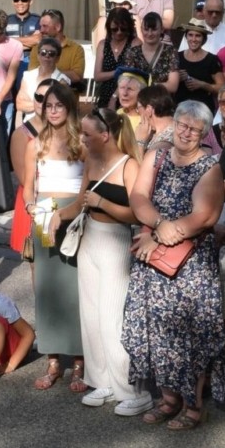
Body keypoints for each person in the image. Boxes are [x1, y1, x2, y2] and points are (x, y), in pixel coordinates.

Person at [126, 100, 225, 427]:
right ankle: (169, 399)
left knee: (190, 335)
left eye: (194, 129)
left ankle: (194, 405)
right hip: (154, 260)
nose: (186, 132)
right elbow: (138, 198)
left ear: (203, 134)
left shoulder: (209, 166)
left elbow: (205, 216)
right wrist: (158, 225)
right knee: (159, 331)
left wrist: (160, 234)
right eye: (182, 125)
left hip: (191, 266)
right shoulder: (155, 156)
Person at [65, 108, 143, 411]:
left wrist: (102, 202)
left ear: (105, 135)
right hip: (90, 238)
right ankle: (102, 381)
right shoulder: (90, 160)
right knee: (92, 315)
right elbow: (78, 204)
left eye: (87, 133)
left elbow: (136, 213)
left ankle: (131, 390)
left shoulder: (129, 165)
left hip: (116, 240)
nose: (82, 138)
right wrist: (52, 215)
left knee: (112, 318)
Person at [25, 82, 88, 393]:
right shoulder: (34, 143)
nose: (52, 111)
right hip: (44, 213)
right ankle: (52, 357)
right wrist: (29, 206)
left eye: (58, 106)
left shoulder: (83, 143)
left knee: (75, 287)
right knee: (46, 287)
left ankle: (79, 360)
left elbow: (89, 187)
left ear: (69, 108)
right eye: (48, 105)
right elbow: (27, 187)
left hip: (74, 215)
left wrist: (73, 211)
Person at [38, 9, 88, 85]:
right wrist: (62, 74)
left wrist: (48, 73)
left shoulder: (76, 49)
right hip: (40, 95)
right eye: (40, 26)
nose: (41, 30)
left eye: (45, 26)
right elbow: (33, 73)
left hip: (66, 95)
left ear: (58, 27)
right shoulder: (37, 48)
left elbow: (77, 76)